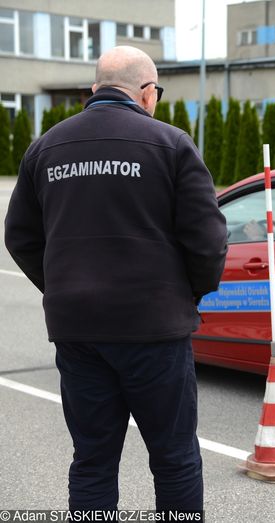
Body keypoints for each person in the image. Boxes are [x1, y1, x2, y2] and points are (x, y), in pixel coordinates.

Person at [4, 46, 227, 515]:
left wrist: (63, 286)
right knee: (174, 458)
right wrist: (188, 294)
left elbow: (19, 237)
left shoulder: (46, 147)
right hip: (154, 331)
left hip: (78, 331)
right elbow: (208, 242)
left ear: (94, 91)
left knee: (92, 460)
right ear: (147, 93)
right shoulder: (171, 144)